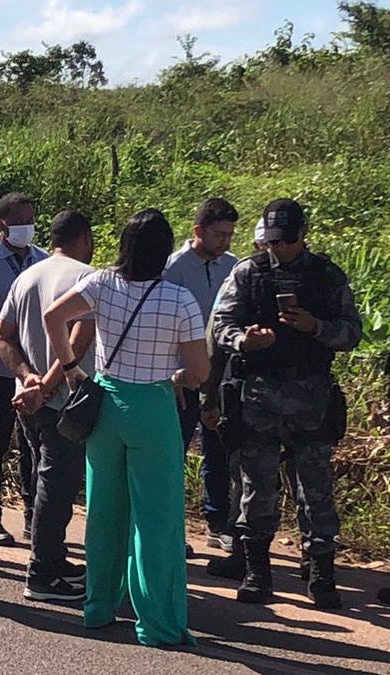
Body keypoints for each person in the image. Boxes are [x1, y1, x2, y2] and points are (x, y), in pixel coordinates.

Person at [45, 208, 209, 647]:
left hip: (105, 404)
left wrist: (70, 369)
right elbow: (199, 371)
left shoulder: (101, 283)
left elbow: (53, 317)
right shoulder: (180, 300)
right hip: (152, 407)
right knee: (156, 518)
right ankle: (157, 622)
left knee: (104, 511)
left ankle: (98, 607)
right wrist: (179, 377)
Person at [211, 198, 360, 608]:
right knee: (256, 489)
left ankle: (320, 573)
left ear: (303, 236)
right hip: (259, 399)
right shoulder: (248, 272)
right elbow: (220, 323)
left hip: (311, 401)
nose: (279, 249)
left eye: (287, 241)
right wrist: (244, 340)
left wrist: (316, 327)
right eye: (273, 241)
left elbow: (351, 333)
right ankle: (258, 571)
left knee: (316, 491)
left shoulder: (327, 277)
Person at [0, 210, 96, 601]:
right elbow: (80, 339)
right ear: (84, 238)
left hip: (31, 400)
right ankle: (43, 574)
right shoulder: (86, 277)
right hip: (64, 403)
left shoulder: (28, 275)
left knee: (42, 480)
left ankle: (50, 557)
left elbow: (1, 334)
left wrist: (26, 377)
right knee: (57, 485)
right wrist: (48, 386)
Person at [164, 198, 238, 555]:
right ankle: (171, 527)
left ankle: (217, 522)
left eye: (229, 234)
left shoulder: (235, 267)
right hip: (180, 377)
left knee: (218, 450)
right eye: (218, 234)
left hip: (221, 377)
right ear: (198, 231)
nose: (224, 241)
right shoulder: (173, 268)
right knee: (172, 452)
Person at [0, 192, 48, 545]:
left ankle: (33, 517)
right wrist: (5, 325)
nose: (28, 227)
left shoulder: (43, 261)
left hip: (34, 371)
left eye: (31, 219)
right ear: (1, 224)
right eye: (20, 221)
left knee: (33, 446)